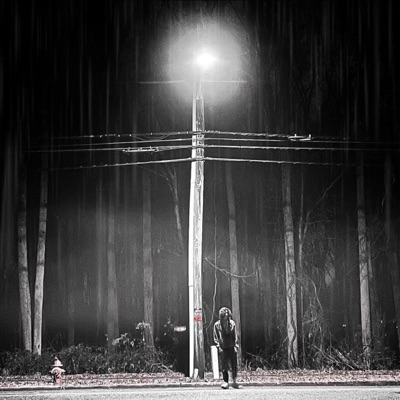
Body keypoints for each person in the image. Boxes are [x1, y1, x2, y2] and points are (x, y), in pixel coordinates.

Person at [213, 307, 240, 389]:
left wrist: (236, 346)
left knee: (234, 364)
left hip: (231, 346)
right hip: (223, 347)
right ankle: (226, 381)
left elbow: (235, 335)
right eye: (224, 315)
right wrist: (218, 347)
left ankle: (234, 381)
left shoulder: (232, 323)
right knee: (224, 365)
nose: (226, 316)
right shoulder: (217, 325)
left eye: (227, 315)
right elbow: (216, 337)